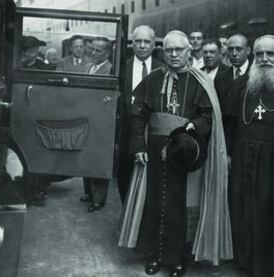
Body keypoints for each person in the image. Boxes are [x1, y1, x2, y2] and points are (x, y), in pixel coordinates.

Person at [124, 30, 232, 277]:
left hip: (186, 154)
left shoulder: (202, 80)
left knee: (182, 207)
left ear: (189, 52)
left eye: (178, 50)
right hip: (153, 153)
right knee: (155, 203)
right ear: (162, 51)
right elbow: (138, 116)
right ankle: (156, 255)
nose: (173, 54)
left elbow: (208, 117)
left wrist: (194, 127)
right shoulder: (153, 79)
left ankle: (179, 258)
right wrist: (138, 147)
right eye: (168, 50)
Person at [223, 34, 274, 277]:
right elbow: (228, 123)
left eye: (270, 54)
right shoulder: (240, 85)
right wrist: (227, 154)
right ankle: (245, 260)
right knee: (243, 209)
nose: (265, 59)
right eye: (260, 54)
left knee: (272, 213)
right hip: (242, 156)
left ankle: (270, 266)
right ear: (253, 55)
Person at [117, 25, 162, 204]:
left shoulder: (163, 69)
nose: (142, 46)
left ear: (153, 45)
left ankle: (144, 224)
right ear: (132, 44)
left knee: (152, 180)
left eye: (146, 42)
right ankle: (127, 222)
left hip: (153, 132)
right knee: (125, 177)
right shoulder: (121, 67)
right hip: (125, 133)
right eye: (138, 41)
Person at [82, 36, 113, 212]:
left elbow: (109, 97)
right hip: (86, 119)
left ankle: (99, 199)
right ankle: (89, 193)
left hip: (101, 122)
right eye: (92, 49)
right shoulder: (88, 67)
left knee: (99, 160)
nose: (93, 53)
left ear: (107, 53)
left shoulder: (110, 70)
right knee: (86, 157)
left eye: (98, 50)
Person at [215, 34, 250, 107]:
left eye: (239, 49)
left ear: (248, 51)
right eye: (230, 49)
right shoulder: (220, 78)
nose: (234, 54)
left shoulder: (257, 76)